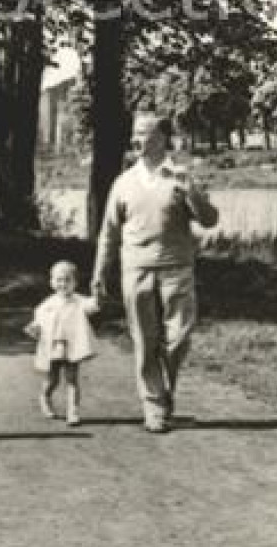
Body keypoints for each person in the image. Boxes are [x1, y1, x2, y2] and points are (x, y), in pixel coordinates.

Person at [92, 113, 218, 433]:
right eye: (135, 133)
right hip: (136, 270)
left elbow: (209, 220)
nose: (137, 139)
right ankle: (154, 406)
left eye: (145, 133)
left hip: (177, 269)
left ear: (163, 138)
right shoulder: (123, 183)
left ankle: (164, 391)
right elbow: (109, 233)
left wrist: (190, 189)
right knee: (145, 342)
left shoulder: (181, 176)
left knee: (178, 338)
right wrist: (99, 273)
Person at [25, 260, 100, 426]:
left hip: (72, 346)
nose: (63, 284)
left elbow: (93, 306)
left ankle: (72, 412)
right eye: (59, 280)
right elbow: (39, 321)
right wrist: (35, 327)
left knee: (72, 379)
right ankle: (45, 396)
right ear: (52, 282)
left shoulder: (79, 301)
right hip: (53, 347)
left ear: (75, 282)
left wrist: (98, 294)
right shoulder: (47, 305)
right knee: (53, 380)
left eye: (68, 280)